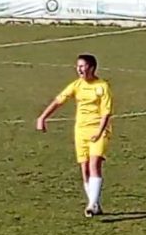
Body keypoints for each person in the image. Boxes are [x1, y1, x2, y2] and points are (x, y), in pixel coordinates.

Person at [36, 54, 112, 217]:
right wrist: (43, 117)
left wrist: (99, 131)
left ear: (91, 68)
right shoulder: (76, 85)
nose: (79, 69)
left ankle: (92, 204)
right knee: (84, 168)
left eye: (82, 66)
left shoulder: (102, 86)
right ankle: (95, 203)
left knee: (94, 164)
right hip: (81, 131)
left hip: (98, 129)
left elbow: (106, 112)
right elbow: (58, 101)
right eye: (78, 66)